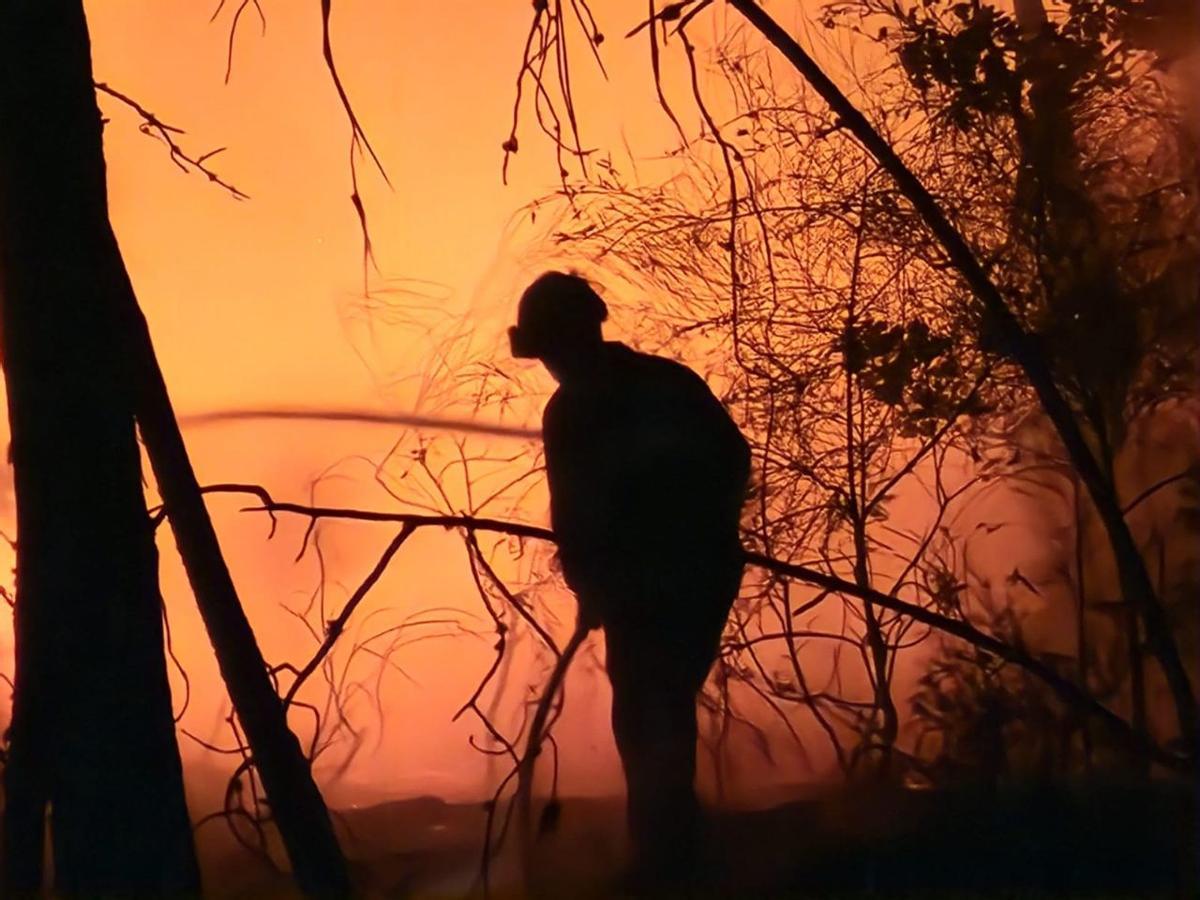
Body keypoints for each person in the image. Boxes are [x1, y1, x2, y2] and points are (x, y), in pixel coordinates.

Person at [509, 271, 750, 885]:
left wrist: (611, 574)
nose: (552, 365)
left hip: (674, 580)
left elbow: (726, 462)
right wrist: (593, 584)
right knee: (656, 710)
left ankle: (668, 861)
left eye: (554, 350)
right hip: (669, 581)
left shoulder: (612, 400)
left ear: (578, 337)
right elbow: (577, 516)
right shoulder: (639, 390)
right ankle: (675, 851)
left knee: (650, 712)